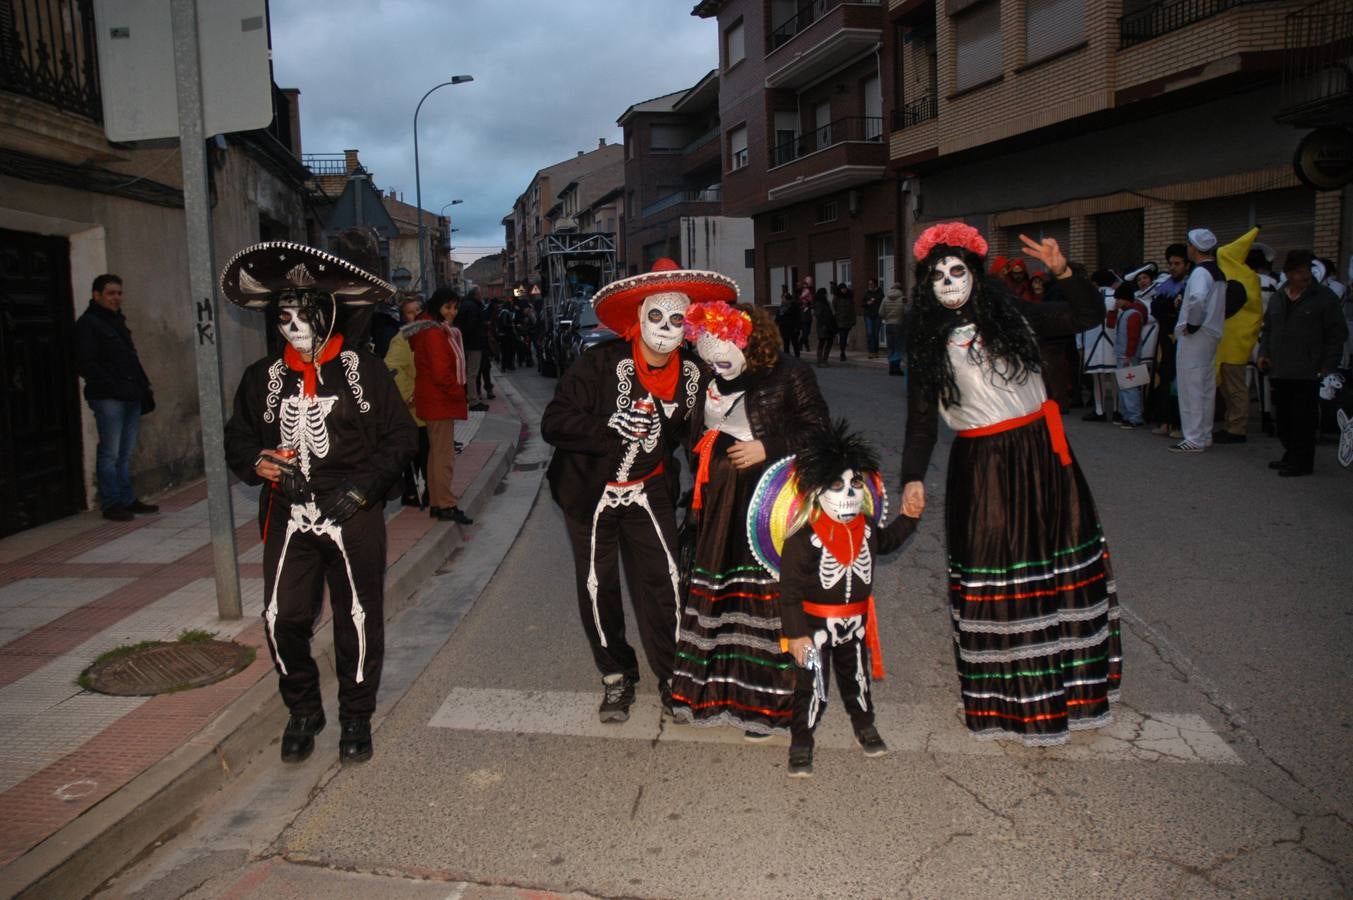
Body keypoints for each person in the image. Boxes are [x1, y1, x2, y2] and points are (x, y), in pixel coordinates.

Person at [900, 222, 1120, 746]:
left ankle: (1072, 692)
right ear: (926, 286)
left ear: (975, 274)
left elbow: (1087, 315)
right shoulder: (928, 345)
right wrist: (911, 477)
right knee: (997, 576)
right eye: (937, 275)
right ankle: (1007, 703)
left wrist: (1063, 271)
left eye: (957, 271)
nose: (949, 281)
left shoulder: (1016, 317)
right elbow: (921, 422)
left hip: (1043, 456)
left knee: (1053, 565)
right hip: (982, 466)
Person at [221, 241, 417, 764]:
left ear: (327, 314)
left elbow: (401, 438)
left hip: (352, 510)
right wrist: (254, 461)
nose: (294, 327)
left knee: (357, 614)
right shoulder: (261, 378)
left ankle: (356, 712)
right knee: (279, 615)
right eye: (283, 317)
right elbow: (237, 437)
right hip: (290, 512)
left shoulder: (365, 371)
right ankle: (303, 707)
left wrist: (364, 487)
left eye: (304, 315)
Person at [541, 259, 717, 723]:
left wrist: (713, 492)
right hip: (589, 493)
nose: (665, 328)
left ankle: (674, 676)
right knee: (599, 588)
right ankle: (617, 677)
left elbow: (701, 440)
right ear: (638, 318)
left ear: (689, 325)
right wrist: (607, 427)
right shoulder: (600, 363)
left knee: (665, 583)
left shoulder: (695, 375)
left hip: (649, 488)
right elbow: (554, 422)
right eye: (655, 317)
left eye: (677, 319)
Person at [669, 301, 829, 738]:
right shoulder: (706, 378)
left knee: (768, 599)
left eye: (723, 346)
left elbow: (819, 429)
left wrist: (767, 446)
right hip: (718, 506)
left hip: (768, 503)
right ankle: (719, 693)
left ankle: (770, 704)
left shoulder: (789, 372)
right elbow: (689, 428)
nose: (713, 358)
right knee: (721, 597)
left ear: (747, 339)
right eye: (706, 349)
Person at [749, 421, 920, 777]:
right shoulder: (803, 539)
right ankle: (801, 741)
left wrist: (909, 518)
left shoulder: (869, 529)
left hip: (855, 626)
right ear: (818, 490)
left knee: (857, 678)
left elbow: (888, 541)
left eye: (856, 483)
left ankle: (864, 724)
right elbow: (791, 592)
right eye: (837, 485)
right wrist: (796, 635)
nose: (849, 493)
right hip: (813, 629)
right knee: (810, 687)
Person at [75, 274, 158, 521]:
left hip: (130, 395)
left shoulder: (116, 322)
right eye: (111, 293)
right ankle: (111, 502)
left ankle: (126, 498)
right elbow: (86, 363)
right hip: (109, 397)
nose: (116, 298)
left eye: (119, 293)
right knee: (110, 452)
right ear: (96, 295)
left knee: (125, 451)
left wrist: (143, 387)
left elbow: (130, 360)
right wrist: (112, 385)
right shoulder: (88, 324)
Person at [1259, 250, 1348, 477]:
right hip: (1280, 368)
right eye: (1299, 271)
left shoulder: (1324, 297)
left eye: (1307, 270)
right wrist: (1264, 353)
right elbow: (1268, 328)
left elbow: (1337, 334)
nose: (1305, 275)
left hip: (1308, 369)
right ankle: (1290, 454)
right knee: (1285, 418)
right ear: (1289, 274)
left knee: (1303, 419)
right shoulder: (1279, 296)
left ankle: (1302, 462)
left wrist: (1328, 365)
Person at [411, 288, 474, 524]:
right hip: (440, 400)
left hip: (434, 400)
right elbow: (441, 373)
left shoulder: (429, 329)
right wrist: (459, 393)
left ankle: (438, 502)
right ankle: (446, 504)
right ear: (437, 306)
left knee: (436, 455)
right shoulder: (435, 334)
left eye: (455, 308)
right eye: (448, 307)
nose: (452, 313)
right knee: (443, 457)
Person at [1169, 228, 1226, 453]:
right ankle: (1203, 434)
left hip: (1196, 335)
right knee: (1204, 385)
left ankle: (1193, 437)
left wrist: (1192, 324)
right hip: (1210, 334)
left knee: (1190, 385)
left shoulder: (1201, 272)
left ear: (1194, 247)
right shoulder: (1217, 272)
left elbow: (1197, 299)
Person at [1214, 228, 1265, 445]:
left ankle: (1237, 428)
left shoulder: (1241, 278)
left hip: (1235, 343)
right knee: (1228, 388)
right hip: (1229, 341)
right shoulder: (1241, 276)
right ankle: (1230, 424)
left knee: (1235, 388)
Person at [384, 294, 431, 507]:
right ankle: (412, 493)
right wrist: (408, 393)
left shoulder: (430, 333)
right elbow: (392, 367)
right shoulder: (402, 338)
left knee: (430, 455)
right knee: (414, 454)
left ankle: (431, 490)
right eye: (409, 312)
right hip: (413, 410)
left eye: (417, 311)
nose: (414, 316)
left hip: (430, 407)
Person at [1148, 245, 1189, 437]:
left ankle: (1178, 424)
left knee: (1178, 383)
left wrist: (1169, 308)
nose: (1173, 267)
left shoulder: (1189, 284)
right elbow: (1156, 308)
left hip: (1182, 341)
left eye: (1177, 264)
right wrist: (1167, 307)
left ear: (1186, 265)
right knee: (1163, 378)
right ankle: (1164, 421)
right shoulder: (1164, 286)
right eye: (1170, 263)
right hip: (1165, 339)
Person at [1109, 282, 1148, 429]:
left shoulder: (1133, 314)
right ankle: (1127, 415)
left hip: (1128, 356)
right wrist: (1113, 311)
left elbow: (1133, 337)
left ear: (1125, 299)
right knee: (1125, 386)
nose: (1116, 302)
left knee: (1130, 387)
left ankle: (1134, 417)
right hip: (1123, 355)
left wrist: (1128, 355)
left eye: (1118, 299)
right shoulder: (1125, 313)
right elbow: (1110, 325)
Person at [458, 289, 489, 412]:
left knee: (465, 373)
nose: (482, 296)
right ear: (476, 295)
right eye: (480, 294)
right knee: (472, 373)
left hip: (465, 344)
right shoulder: (474, 307)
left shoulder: (464, 305)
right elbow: (472, 326)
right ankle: (473, 401)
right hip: (474, 344)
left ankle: (468, 397)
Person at [881, 281, 907, 376]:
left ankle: (891, 367)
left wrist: (887, 318)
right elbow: (906, 312)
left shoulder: (885, 299)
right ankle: (897, 367)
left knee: (890, 346)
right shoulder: (903, 299)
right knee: (898, 346)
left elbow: (881, 312)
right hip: (899, 325)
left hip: (888, 325)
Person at [832, 282, 856, 362]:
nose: (844, 290)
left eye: (845, 288)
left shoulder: (849, 296)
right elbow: (834, 308)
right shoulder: (837, 297)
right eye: (842, 289)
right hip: (840, 320)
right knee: (842, 337)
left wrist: (853, 320)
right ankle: (842, 353)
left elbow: (852, 309)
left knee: (845, 337)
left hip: (848, 320)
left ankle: (843, 351)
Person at [861, 278, 884, 358]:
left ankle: (876, 351)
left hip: (877, 315)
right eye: (869, 284)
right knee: (870, 333)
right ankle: (871, 352)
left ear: (875, 284)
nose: (870, 285)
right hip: (868, 315)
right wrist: (867, 303)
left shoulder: (880, 292)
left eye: (871, 284)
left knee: (875, 334)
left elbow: (883, 302)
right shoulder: (866, 292)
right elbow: (862, 303)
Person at [813, 286, 835, 367]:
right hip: (823, 325)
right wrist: (825, 323)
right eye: (825, 293)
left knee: (828, 342)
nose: (826, 295)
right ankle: (820, 361)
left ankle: (824, 360)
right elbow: (818, 315)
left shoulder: (825, 302)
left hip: (827, 325)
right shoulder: (819, 303)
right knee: (822, 342)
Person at [776, 284, 801, 356]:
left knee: (793, 343)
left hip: (791, 328)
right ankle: (790, 356)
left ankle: (795, 357)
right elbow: (778, 318)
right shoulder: (782, 307)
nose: (782, 300)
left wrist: (797, 327)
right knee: (788, 344)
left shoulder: (793, 306)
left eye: (783, 298)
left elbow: (797, 317)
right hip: (785, 328)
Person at [797, 276, 814, 355]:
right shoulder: (803, 292)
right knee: (805, 332)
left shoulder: (809, 292)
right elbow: (801, 298)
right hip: (804, 315)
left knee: (807, 332)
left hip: (808, 315)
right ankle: (804, 345)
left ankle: (802, 345)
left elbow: (810, 301)